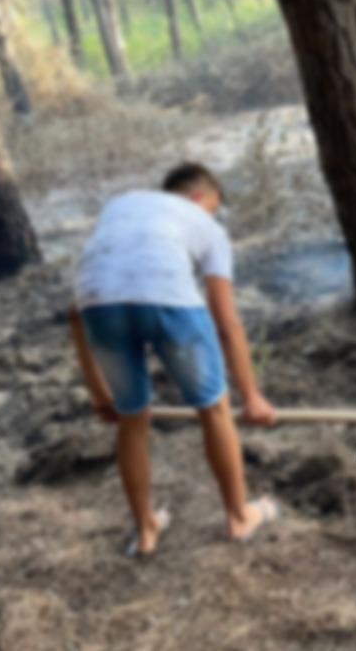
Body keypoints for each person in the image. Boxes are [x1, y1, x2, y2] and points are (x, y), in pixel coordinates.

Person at [69, 162, 279, 557]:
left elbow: (75, 313)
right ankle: (239, 517)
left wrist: (100, 394)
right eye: (213, 208)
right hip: (169, 303)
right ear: (202, 197)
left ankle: (146, 528)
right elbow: (227, 322)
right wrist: (251, 396)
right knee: (214, 409)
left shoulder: (123, 205)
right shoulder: (208, 227)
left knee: (133, 418)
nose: (212, 216)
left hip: (98, 305)